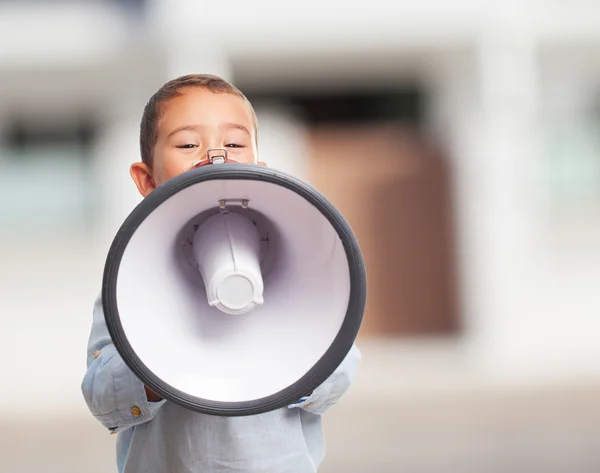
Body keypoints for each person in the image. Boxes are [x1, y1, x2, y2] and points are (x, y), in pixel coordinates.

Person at [81, 73, 362, 473]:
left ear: (259, 169)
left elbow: (341, 367)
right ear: (147, 179)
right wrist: (154, 362)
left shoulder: (309, 270)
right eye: (187, 144)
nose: (215, 155)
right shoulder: (129, 283)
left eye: (233, 143)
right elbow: (103, 397)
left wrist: (298, 351)